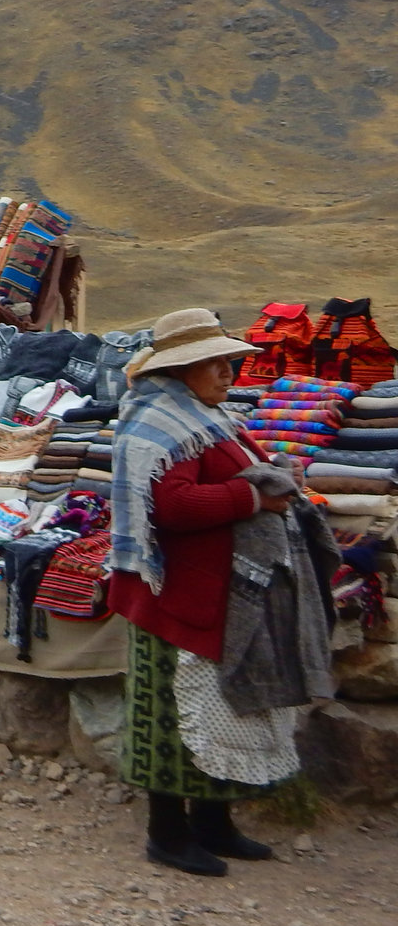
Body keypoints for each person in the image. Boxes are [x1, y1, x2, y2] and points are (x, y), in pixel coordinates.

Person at [109, 308, 339, 877]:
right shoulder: (156, 424)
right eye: (213, 362)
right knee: (172, 721)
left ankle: (214, 823)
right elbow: (171, 506)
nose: (227, 371)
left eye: (228, 360)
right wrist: (253, 499)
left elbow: (235, 474)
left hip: (218, 594)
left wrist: (273, 478)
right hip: (175, 599)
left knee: (222, 711)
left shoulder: (207, 417)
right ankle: (166, 834)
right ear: (179, 367)